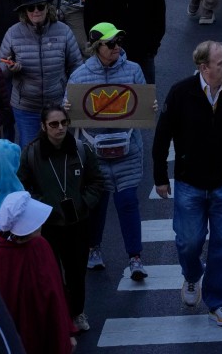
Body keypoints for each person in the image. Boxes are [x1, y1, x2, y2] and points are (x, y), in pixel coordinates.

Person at [153, 41, 222, 327]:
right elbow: (162, 136)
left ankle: (217, 301)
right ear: (204, 68)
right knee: (188, 242)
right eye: (221, 63)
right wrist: (160, 177)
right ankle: (192, 276)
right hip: (189, 184)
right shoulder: (180, 93)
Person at [69, 23, 155, 283]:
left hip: (128, 149)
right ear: (97, 47)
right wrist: (67, 109)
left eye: (118, 41)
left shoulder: (133, 70)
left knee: (127, 201)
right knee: (97, 204)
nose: (116, 46)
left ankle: (135, 258)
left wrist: (151, 107)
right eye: (110, 43)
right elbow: (70, 119)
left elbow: (144, 110)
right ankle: (93, 248)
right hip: (94, 153)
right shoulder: (80, 76)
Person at [18, 105, 104, 334]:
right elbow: (23, 187)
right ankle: (59, 314)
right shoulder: (31, 153)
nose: (60, 128)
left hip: (78, 223)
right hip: (48, 224)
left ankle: (77, 312)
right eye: (54, 124)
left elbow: (97, 182)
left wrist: (84, 202)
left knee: (77, 272)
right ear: (43, 127)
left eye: (64, 123)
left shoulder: (81, 149)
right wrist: (41, 206)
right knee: (52, 273)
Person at [0, 191, 75, 354]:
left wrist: (67, 331)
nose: (40, 223)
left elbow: (56, 293)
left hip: (46, 332)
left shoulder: (41, 245)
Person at [0, 0, 82, 146]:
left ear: (47, 8)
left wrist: (70, 96)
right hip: (26, 107)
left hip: (57, 107)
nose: (36, 11)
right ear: (24, 11)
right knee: (29, 153)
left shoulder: (64, 31)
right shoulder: (13, 33)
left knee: (58, 150)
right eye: (31, 8)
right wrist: (9, 68)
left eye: (40, 6)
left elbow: (76, 66)